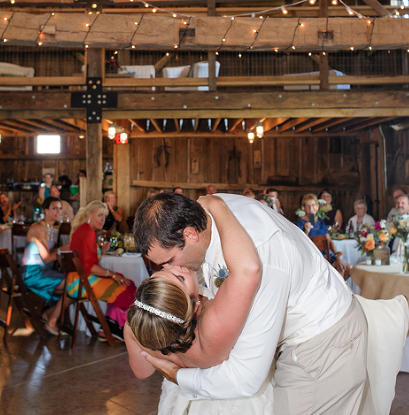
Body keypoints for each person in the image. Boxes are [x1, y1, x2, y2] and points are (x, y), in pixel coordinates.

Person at [133, 192, 373, 415]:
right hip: (290, 343)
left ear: (189, 235)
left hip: (321, 344)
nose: (169, 270)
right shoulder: (209, 211)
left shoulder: (261, 255)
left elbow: (246, 378)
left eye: (170, 260)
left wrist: (178, 376)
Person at [125, 196, 273, 414]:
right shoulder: (211, 326)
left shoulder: (142, 328)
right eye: (181, 280)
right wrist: (216, 205)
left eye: (163, 272)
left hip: (180, 401)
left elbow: (142, 371)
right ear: (193, 308)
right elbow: (247, 270)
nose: (176, 268)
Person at [69, 200, 136, 341]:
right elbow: (90, 267)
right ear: (88, 214)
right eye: (99, 215)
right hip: (81, 283)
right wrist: (112, 274)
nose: (103, 219)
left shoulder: (83, 230)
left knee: (125, 282)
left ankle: (109, 326)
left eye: (104, 216)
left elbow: (87, 259)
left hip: (77, 279)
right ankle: (114, 329)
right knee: (127, 289)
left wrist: (101, 250)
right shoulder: (87, 232)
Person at [20, 196, 69, 335]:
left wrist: (69, 246)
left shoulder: (50, 227)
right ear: (46, 210)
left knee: (73, 283)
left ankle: (48, 314)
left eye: (60, 209)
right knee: (72, 284)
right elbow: (47, 258)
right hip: (32, 273)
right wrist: (65, 251)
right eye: (54, 208)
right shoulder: (39, 227)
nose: (58, 212)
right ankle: (51, 319)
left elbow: (50, 252)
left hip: (42, 271)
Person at [296, 193, 350, 277]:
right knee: (333, 272)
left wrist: (338, 256)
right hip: (311, 258)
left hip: (326, 256)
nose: (311, 208)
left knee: (348, 268)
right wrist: (306, 231)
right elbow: (300, 243)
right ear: (304, 207)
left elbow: (330, 241)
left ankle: (332, 286)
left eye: (313, 205)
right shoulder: (300, 222)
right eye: (308, 205)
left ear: (317, 206)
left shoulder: (321, 222)